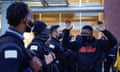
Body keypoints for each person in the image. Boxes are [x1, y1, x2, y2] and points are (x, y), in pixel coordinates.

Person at [0, 2, 41, 72]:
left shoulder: (13, 40)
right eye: (31, 17)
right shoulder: (10, 46)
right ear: (24, 19)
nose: (32, 21)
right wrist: (32, 69)